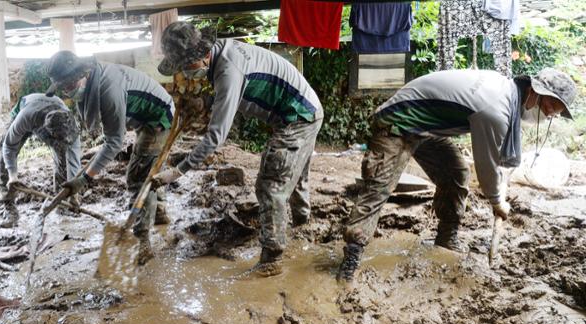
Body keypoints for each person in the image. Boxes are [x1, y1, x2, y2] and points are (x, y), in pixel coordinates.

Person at [337, 68, 577, 282]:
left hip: (426, 126)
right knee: (379, 188)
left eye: (557, 111)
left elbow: (497, 158)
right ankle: (350, 260)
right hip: (399, 121)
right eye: (553, 107)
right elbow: (486, 169)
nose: (553, 114)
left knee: (456, 172)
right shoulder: (496, 108)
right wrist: (498, 202)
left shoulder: (508, 93)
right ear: (538, 92)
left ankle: (446, 238)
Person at [153, 21, 324, 276]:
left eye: (186, 67)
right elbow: (230, 96)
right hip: (299, 111)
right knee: (294, 174)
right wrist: (206, 102)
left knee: (270, 185)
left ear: (202, 54)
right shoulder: (222, 53)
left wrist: (178, 171)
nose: (185, 74)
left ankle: (272, 259)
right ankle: (302, 225)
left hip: (299, 115)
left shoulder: (228, 70)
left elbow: (216, 137)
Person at [45, 50, 175, 265]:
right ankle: (159, 213)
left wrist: (85, 178)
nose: (67, 93)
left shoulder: (108, 89)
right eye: (63, 88)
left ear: (82, 75)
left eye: (68, 86)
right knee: (147, 168)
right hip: (140, 116)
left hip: (157, 117)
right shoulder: (93, 81)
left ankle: (142, 239)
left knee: (138, 177)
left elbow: (115, 141)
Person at [0, 93, 81, 228]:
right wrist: (12, 175)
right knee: (3, 157)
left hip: (54, 110)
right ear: (48, 132)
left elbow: (74, 160)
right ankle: (9, 209)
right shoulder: (26, 117)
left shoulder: (71, 127)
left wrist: (73, 192)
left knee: (63, 157)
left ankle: (62, 204)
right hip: (29, 109)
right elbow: (9, 146)